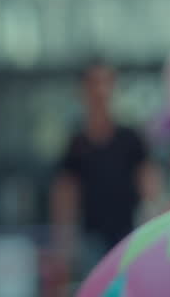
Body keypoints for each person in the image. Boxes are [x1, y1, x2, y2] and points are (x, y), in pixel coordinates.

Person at [50, 60, 162, 275]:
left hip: (128, 234)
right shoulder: (76, 144)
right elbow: (65, 194)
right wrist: (64, 245)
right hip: (90, 238)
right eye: (94, 83)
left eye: (107, 82)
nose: (101, 90)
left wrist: (153, 225)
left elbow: (149, 183)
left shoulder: (130, 139)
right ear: (83, 91)